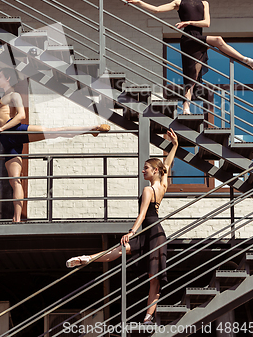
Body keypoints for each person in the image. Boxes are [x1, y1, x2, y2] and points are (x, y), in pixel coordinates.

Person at [66, 128, 178, 324]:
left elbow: (142, 214)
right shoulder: (163, 185)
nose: (143, 170)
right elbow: (166, 165)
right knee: (122, 252)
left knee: (154, 278)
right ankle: (86, 259)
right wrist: (174, 145)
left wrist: (131, 232)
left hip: (151, 233)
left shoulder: (148, 190)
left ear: (154, 171)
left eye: (146, 168)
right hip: (154, 233)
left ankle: (148, 317)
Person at [0, 68, 110, 223]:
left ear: (8, 78)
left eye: (0, 77)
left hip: (15, 131)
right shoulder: (1, 99)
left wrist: (2, 128)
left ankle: (91, 129)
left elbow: (21, 115)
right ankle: (16, 219)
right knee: (14, 180)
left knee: (54, 131)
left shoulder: (14, 95)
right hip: (5, 139)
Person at [125, 0, 253, 114]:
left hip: (198, 37)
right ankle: (186, 107)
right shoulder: (179, 3)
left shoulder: (204, 3)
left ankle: (247, 60)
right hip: (187, 39)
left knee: (217, 40)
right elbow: (156, 9)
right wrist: (138, 1)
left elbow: (207, 23)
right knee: (191, 75)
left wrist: (189, 22)